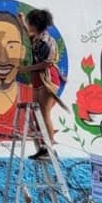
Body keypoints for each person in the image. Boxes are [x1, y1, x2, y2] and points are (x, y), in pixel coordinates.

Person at [18, 9, 66, 160]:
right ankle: (43, 147)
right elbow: (29, 36)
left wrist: (26, 68)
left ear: (36, 24)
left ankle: (50, 148)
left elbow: (47, 63)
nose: (29, 25)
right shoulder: (38, 37)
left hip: (48, 79)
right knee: (37, 114)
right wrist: (22, 21)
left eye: (30, 22)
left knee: (44, 114)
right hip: (38, 79)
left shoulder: (46, 41)